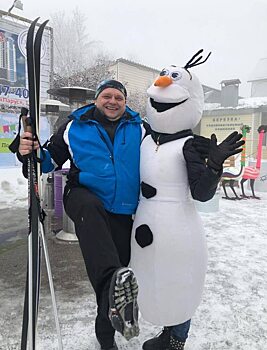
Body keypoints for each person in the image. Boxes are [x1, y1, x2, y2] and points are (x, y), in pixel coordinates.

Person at [130, 52, 245, 350]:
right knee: (155, 278)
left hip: (178, 226)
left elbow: (201, 194)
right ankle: (166, 332)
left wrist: (214, 166)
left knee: (179, 280)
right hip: (144, 222)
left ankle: (177, 339)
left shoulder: (190, 145)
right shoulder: (145, 136)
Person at [18, 79, 142, 350]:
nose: (112, 101)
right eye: (107, 96)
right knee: (93, 215)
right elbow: (48, 160)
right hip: (82, 196)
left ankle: (106, 333)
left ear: (125, 101)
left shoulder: (140, 128)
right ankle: (115, 289)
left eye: (118, 97)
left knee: (113, 279)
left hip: (123, 210)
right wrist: (30, 152)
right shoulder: (75, 126)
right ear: (97, 99)